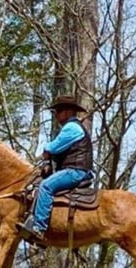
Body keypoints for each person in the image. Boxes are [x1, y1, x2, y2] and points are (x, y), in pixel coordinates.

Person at [17, 95, 94, 242]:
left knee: (45, 186)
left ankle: (38, 228)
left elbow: (53, 147)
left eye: (57, 111)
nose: (56, 115)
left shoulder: (72, 128)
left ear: (68, 111)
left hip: (76, 171)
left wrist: (44, 154)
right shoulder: (72, 127)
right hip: (73, 169)